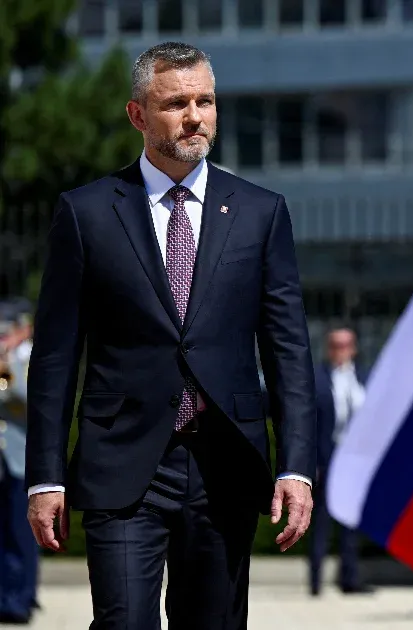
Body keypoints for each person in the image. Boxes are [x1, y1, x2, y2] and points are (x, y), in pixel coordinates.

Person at [24, 42, 316, 628]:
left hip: (225, 464)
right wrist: (45, 476)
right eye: (176, 103)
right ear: (138, 114)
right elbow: (55, 356)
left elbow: (288, 349)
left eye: (205, 101)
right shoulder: (86, 213)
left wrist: (296, 466)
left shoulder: (260, 212)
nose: (194, 117)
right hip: (123, 460)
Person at [309, 328, 373, 597]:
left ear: (353, 348)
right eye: (335, 345)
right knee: (321, 521)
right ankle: (315, 581)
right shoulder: (318, 378)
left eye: (345, 345)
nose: (340, 350)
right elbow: (309, 424)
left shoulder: (365, 377)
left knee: (350, 521)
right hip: (327, 458)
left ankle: (350, 579)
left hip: (355, 460)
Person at [0, 300, 39, 623]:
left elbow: (27, 397)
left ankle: (21, 598)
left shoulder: (29, 358)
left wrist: (7, 362)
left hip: (20, 457)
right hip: (2, 459)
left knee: (20, 532)